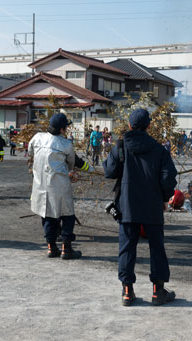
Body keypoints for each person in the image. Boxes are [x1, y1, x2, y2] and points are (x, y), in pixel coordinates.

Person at [104, 108, 178, 307]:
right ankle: (158, 291)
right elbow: (168, 178)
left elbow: (109, 171)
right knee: (157, 248)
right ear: (149, 126)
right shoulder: (159, 149)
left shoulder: (120, 146)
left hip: (127, 206)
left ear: (129, 125)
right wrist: (164, 198)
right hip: (152, 205)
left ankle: (127, 291)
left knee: (127, 247)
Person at [28, 113, 89, 260]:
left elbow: (31, 152)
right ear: (62, 129)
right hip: (59, 185)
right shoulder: (65, 144)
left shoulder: (37, 138)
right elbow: (72, 162)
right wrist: (89, 168)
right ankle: (66, 249)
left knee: (47, 215)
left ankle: (51, 247)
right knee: (67, 215)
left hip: (40, 184)